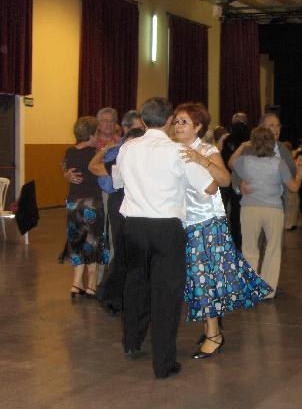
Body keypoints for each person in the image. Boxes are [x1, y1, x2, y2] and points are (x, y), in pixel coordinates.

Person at [113, 97, 217, 379]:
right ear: (169, 120)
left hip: (133, 226)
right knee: (167, 294)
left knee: (135, 284)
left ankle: (132, 341)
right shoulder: (178, 151)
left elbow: (118, 183)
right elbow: (209, 187)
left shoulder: (127, 148)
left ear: (143, 120)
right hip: (166, 228)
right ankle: (163, 363)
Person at [173, 102, 272, 359]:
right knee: (198, 277)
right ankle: (210, 327)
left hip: (207, 222)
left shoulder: (207, 149)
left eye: (184, 122)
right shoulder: (174, 150)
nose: (178, 126)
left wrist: (202, 161)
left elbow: (225, 180)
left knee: (204, 278)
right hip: (186, 222)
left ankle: (214, 334)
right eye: (176, 121)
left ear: (198, 126)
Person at [229, 127, 302, 297]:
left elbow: (231, 162)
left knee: (249, 249)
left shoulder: (245, 161)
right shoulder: (279, 163)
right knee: (273, 249)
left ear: (252, 143)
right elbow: (294, 188)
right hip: (273, 209)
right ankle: (267, 291)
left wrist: (242, 146)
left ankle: (250, 288)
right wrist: (300, 176)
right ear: (273, 143)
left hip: (249, 208)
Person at [89, 124, 145, 315]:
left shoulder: (144, 161)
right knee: (122, 250)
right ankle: (112, 295)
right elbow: (93, 166)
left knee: (131, 252)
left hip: (137, 207)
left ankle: (121, 294)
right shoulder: (119, 160)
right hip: (120, 204)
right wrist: (105, 150)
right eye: (127, 144)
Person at [61, 116, 108, 298]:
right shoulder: (94, 154)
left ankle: (76, 283)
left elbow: (65, 169)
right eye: (97, 133)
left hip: (73, 203)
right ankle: (91, 284)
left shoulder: (70, 151)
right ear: (91, 134)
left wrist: (66, 175)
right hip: (92, 202)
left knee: (76, 241)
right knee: (92, 241)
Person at [220, 120, 251, 250]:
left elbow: (225, 160)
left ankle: (235, 241)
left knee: (233, 213)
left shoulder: (228, 143)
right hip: (243, 181)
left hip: (229, 183)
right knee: (241, 213)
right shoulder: (248, 144)